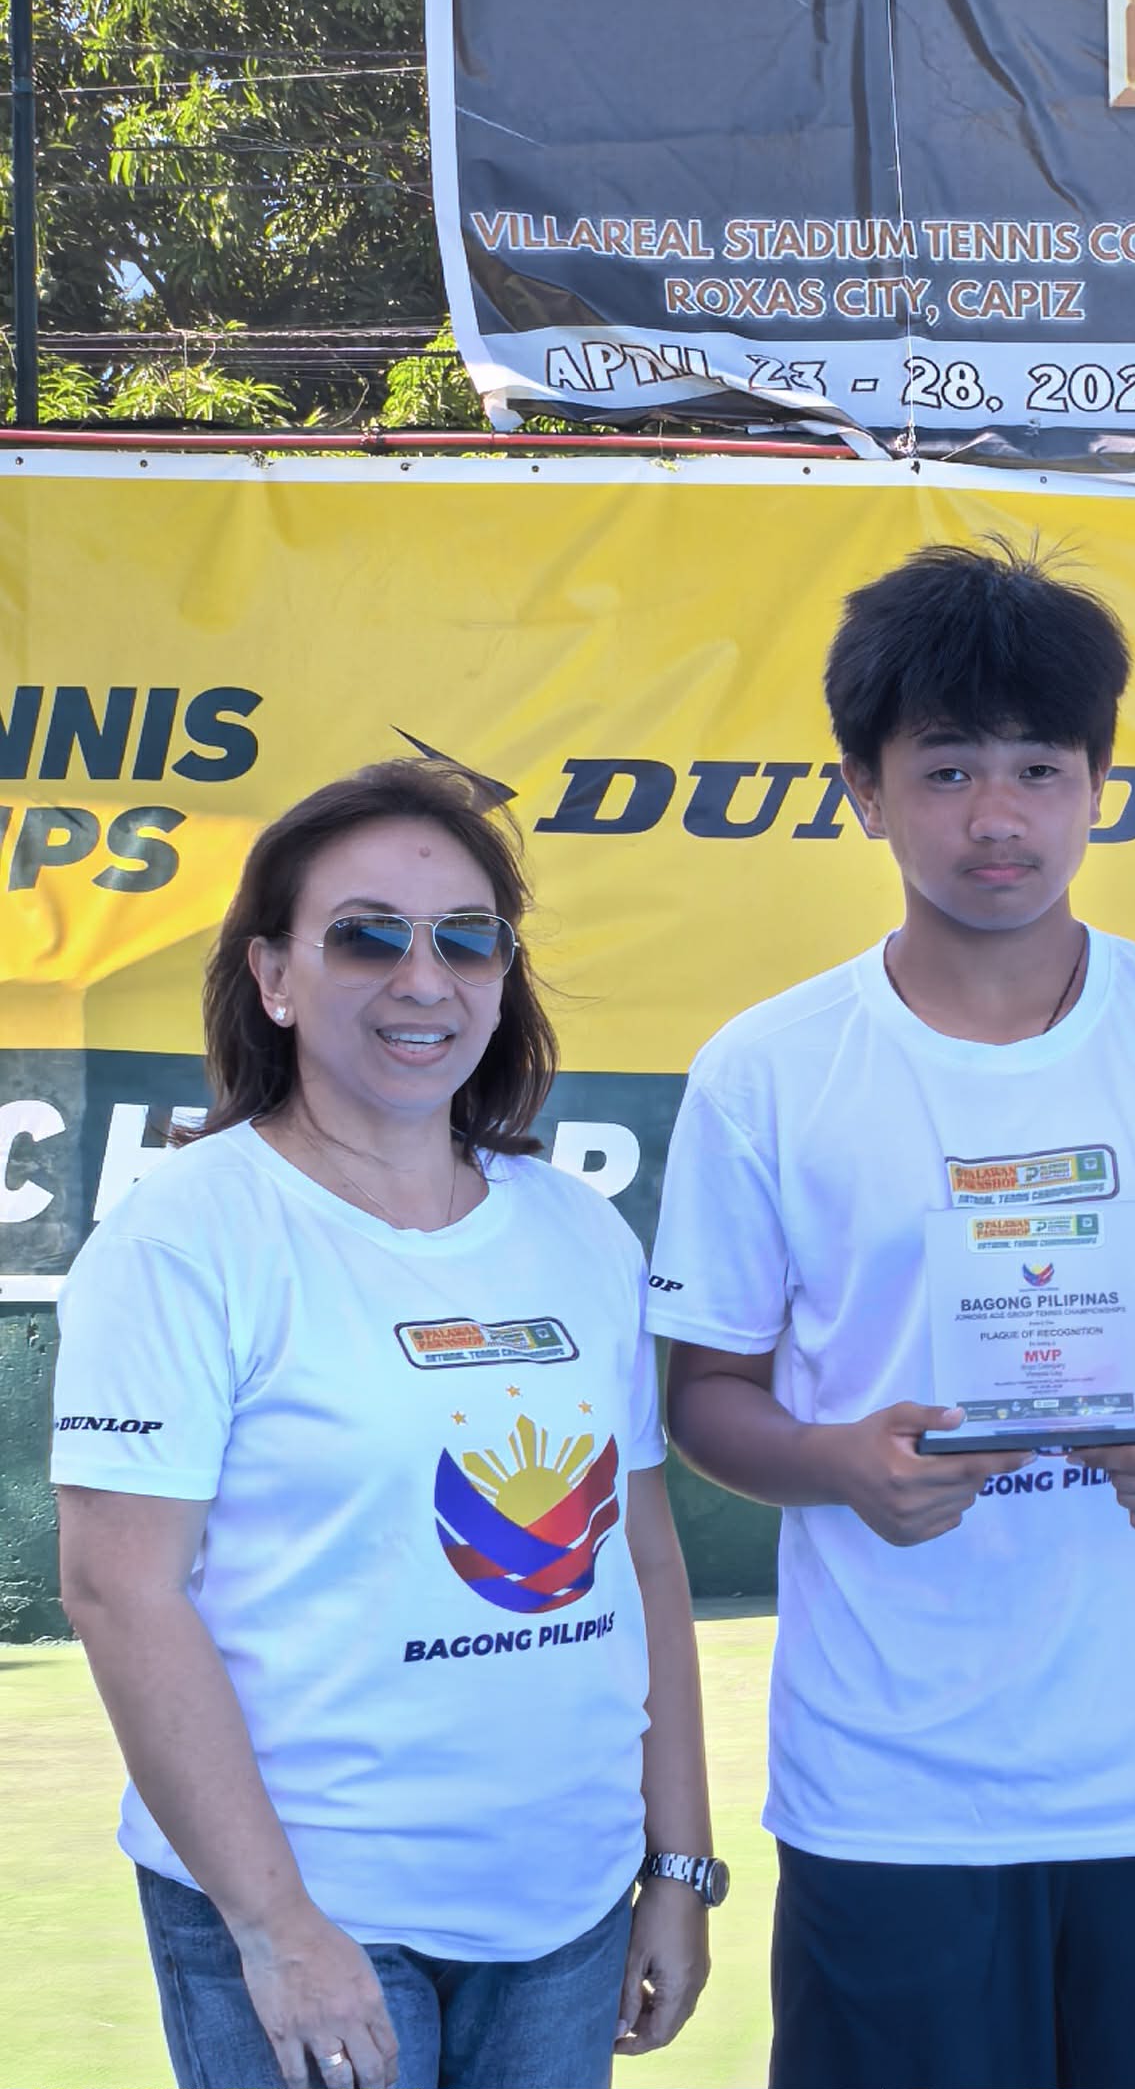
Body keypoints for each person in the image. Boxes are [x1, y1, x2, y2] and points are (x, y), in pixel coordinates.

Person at [647, 540, 1135, 2089]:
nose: (998, 815)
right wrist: (843, 1466)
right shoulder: (767, 1066)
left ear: (1102, 783)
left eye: (1039, 764)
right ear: (865, 791)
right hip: (888, 1790)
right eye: (946, 768)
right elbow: (706, 1395)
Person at [51, 759, 717, 2089]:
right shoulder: (187, 1234)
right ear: (275, 977)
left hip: (566, 1911)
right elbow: (119, 1590)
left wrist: (676, 1861)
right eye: (367, 935)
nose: (426, 977)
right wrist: (277, 1926)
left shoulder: (579, 1230)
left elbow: (642, 1557)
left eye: (468, 938)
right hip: (317, 1916)